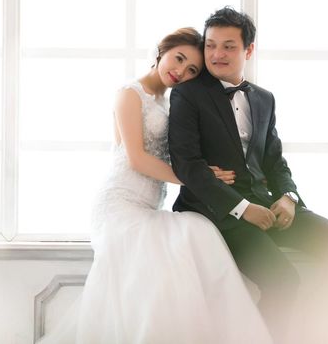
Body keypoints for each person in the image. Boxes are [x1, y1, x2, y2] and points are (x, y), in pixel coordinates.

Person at [38, 27, 272, 344]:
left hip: (149, 208)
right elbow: (136, 158)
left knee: (198, 230)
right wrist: (199, 177)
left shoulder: (171, 102)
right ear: (162, 51)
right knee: (157, 274)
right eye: (179, 59)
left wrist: (209, 171)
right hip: (119, 204)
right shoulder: (129, 93)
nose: (181, 71)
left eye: (192, 70)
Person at [168, 8, 328, 343]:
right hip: (218, 213)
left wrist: (288, 197)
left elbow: (275, 162)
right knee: (283, 280)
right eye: (211, 45)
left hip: (267, 204)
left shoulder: (264, 99)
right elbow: (187, 164)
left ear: (249, 50)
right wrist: (242, 208)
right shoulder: (188, 94)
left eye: (228, 46)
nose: (217, 54)